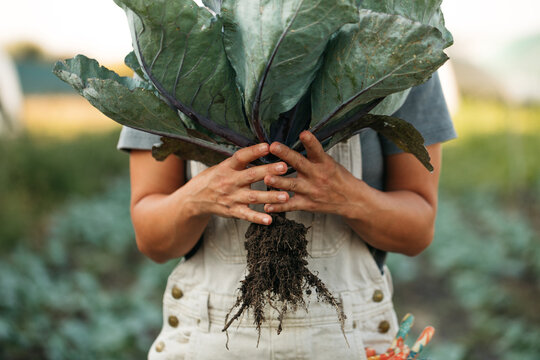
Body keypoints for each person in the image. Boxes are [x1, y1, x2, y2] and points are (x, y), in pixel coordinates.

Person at [118, 72, 456, 359]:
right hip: (208, 341)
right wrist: (199, 197)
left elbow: (418, 229)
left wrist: (348, 197)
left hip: (351, 341)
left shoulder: (396, 46)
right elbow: (152, 240)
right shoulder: (173, 53)